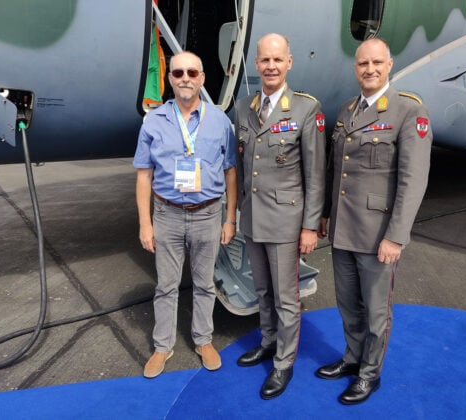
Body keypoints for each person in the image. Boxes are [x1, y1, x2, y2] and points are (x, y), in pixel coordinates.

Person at [316, 37, 432, 404]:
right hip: (343, 231)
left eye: (376, 63)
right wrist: (325, 214)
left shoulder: (408, 111)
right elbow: (338, 171)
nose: (370, 69)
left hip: (377, 233)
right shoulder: (347, 110)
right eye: (363, 63)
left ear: (389, 64)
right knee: (348, 303)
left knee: (376, 310)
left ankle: (370, 373)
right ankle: (352, 359)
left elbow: (413, 180)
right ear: (356, 68)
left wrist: (396, 236)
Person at [133, 51, 237, 378]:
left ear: (202, 78)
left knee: (205, 283)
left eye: (192, 72)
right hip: (167, 215)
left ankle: (203, 340)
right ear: (170, 79)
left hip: (208, 214)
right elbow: (143, 175)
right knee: (166, 285)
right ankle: (163, 346)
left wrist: (229, 218)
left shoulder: (220, 121)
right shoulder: (154, 121)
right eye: (178, 73)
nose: (185, 78)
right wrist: (145, 224)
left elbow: (231, 172)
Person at [234, 33, 326, 399]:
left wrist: (309, 227)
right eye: (264, 60)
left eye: (277, 60)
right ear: (256, 64)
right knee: (261, 290)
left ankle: (283, 363)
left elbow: (316, 176)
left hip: (287, 224)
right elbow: (241, 168)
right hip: (254, 218)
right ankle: (269, 341)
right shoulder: (243, 107)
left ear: (289, 63)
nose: (270, 66)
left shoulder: (306, 109)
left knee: (287, 297)